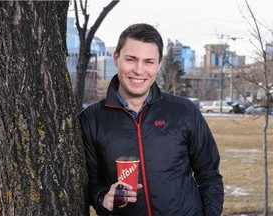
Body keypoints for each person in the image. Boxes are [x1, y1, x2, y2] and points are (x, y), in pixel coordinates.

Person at [79, 23, 224, 216]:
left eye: (148, 61)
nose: (139, 70)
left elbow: (210, 175)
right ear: (116, 58)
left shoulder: (184, 111)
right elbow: (89, 183)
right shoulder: (91, 120)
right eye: (131, 59)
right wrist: (102, 198)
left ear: (159, 64)